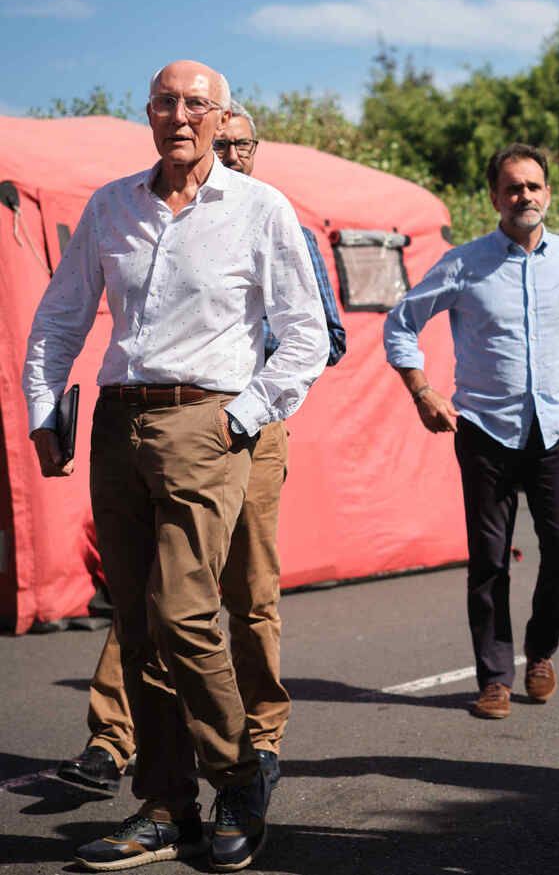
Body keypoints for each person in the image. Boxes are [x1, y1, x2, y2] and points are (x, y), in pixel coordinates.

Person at [23, 60, 329, 872]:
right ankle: (163, 806)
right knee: (136, 622)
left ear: (222, 117)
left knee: (187, 612)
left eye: (197, 103)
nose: (181, 116)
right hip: (117, 420)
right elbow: (58, 316)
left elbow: (305, 334)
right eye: (166, 102)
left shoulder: (261, 208)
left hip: (208, 418)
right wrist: (44, 411)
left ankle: (238, 777)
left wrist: (242, 414)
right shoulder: (111, 205)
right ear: (148, 114)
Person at [384, 143, 559, 720]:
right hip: (488, 431)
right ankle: (494, 677)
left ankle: (540, 654)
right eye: (513, 187)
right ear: (494, 197)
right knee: (489, 559)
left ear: (548, 193)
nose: (524, 196)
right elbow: (400, 323)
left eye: (533, 186)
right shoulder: (464, 264)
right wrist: (422, 391)